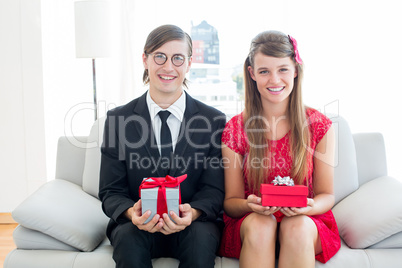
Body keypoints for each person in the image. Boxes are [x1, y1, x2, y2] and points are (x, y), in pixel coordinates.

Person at [99, 24, 226, 268]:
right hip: (137, 225)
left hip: (193, 225)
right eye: (160, 56)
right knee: (128, 241)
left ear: (189, 64)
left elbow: (214, 189)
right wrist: (130, 214)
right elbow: (110, 191)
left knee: (200, 242)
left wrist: (194, 213)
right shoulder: (119, 120)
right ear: (145, 59)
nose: (168, 67)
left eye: (178, 58)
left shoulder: (214, 121)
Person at [218, 30, 341, 267]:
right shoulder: (235, 128)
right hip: (253, 223)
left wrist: (310, 205)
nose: (275, 80)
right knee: (261, 225)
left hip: (304, 222)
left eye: (282, 69)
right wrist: (249, 204)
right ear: (252, 74)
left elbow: (327, 195)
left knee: (296, 227)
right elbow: (231, 203)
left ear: (295, 70)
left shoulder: (319, 125)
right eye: (264, 71)